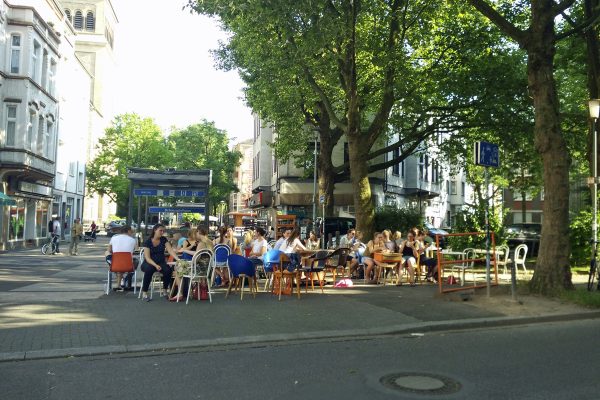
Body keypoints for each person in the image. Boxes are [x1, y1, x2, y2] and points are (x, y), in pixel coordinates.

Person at [140, 224, 180, 302]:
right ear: (155, 230)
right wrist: (155, 265)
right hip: (149, 262)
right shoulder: (148, 241)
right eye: (160, 230)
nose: (162, 232)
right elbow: (147, 258)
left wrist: (178, 259)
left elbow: (170, 250)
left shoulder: (163, 239)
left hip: (160, 262)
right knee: (149, 269)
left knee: (168, 270)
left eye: (163, 231)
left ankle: (165, 290)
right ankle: (144, 293)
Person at [106, 225, 138, 292]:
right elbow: (136, 250)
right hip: (128, 265)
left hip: (115, 265)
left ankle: (110, 263)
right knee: (135, 261)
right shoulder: (133, 240)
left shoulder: (113, 238)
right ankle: (126, 280)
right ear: (129, 231)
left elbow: (109, 250)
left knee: (107, 253)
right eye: (131, 231)